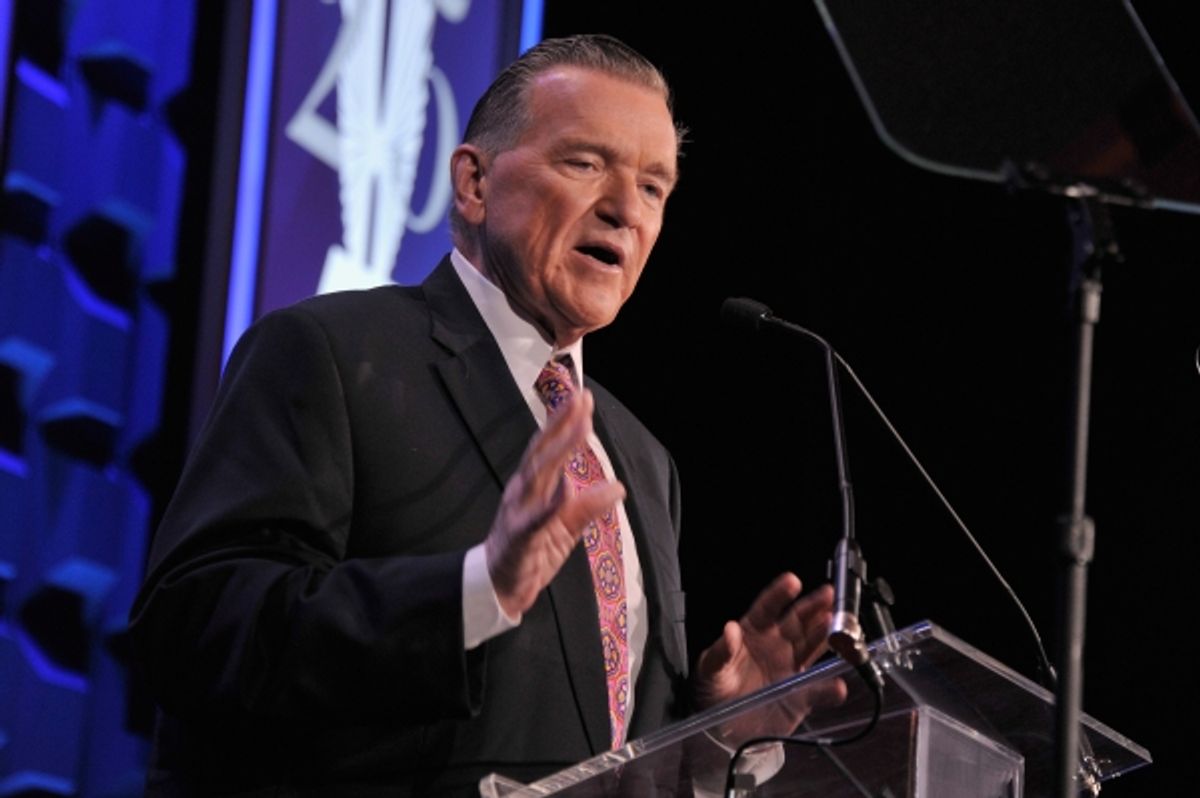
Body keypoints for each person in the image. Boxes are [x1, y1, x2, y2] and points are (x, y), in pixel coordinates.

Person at [128, 33, 843, 796]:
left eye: (654, 188)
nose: (624, 210)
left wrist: (717, 736)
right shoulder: (330, 355)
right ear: (472, 182)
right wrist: (478, 589)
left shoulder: (641, 459)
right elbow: (194, 630)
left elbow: (596, 744)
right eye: (586, 163)